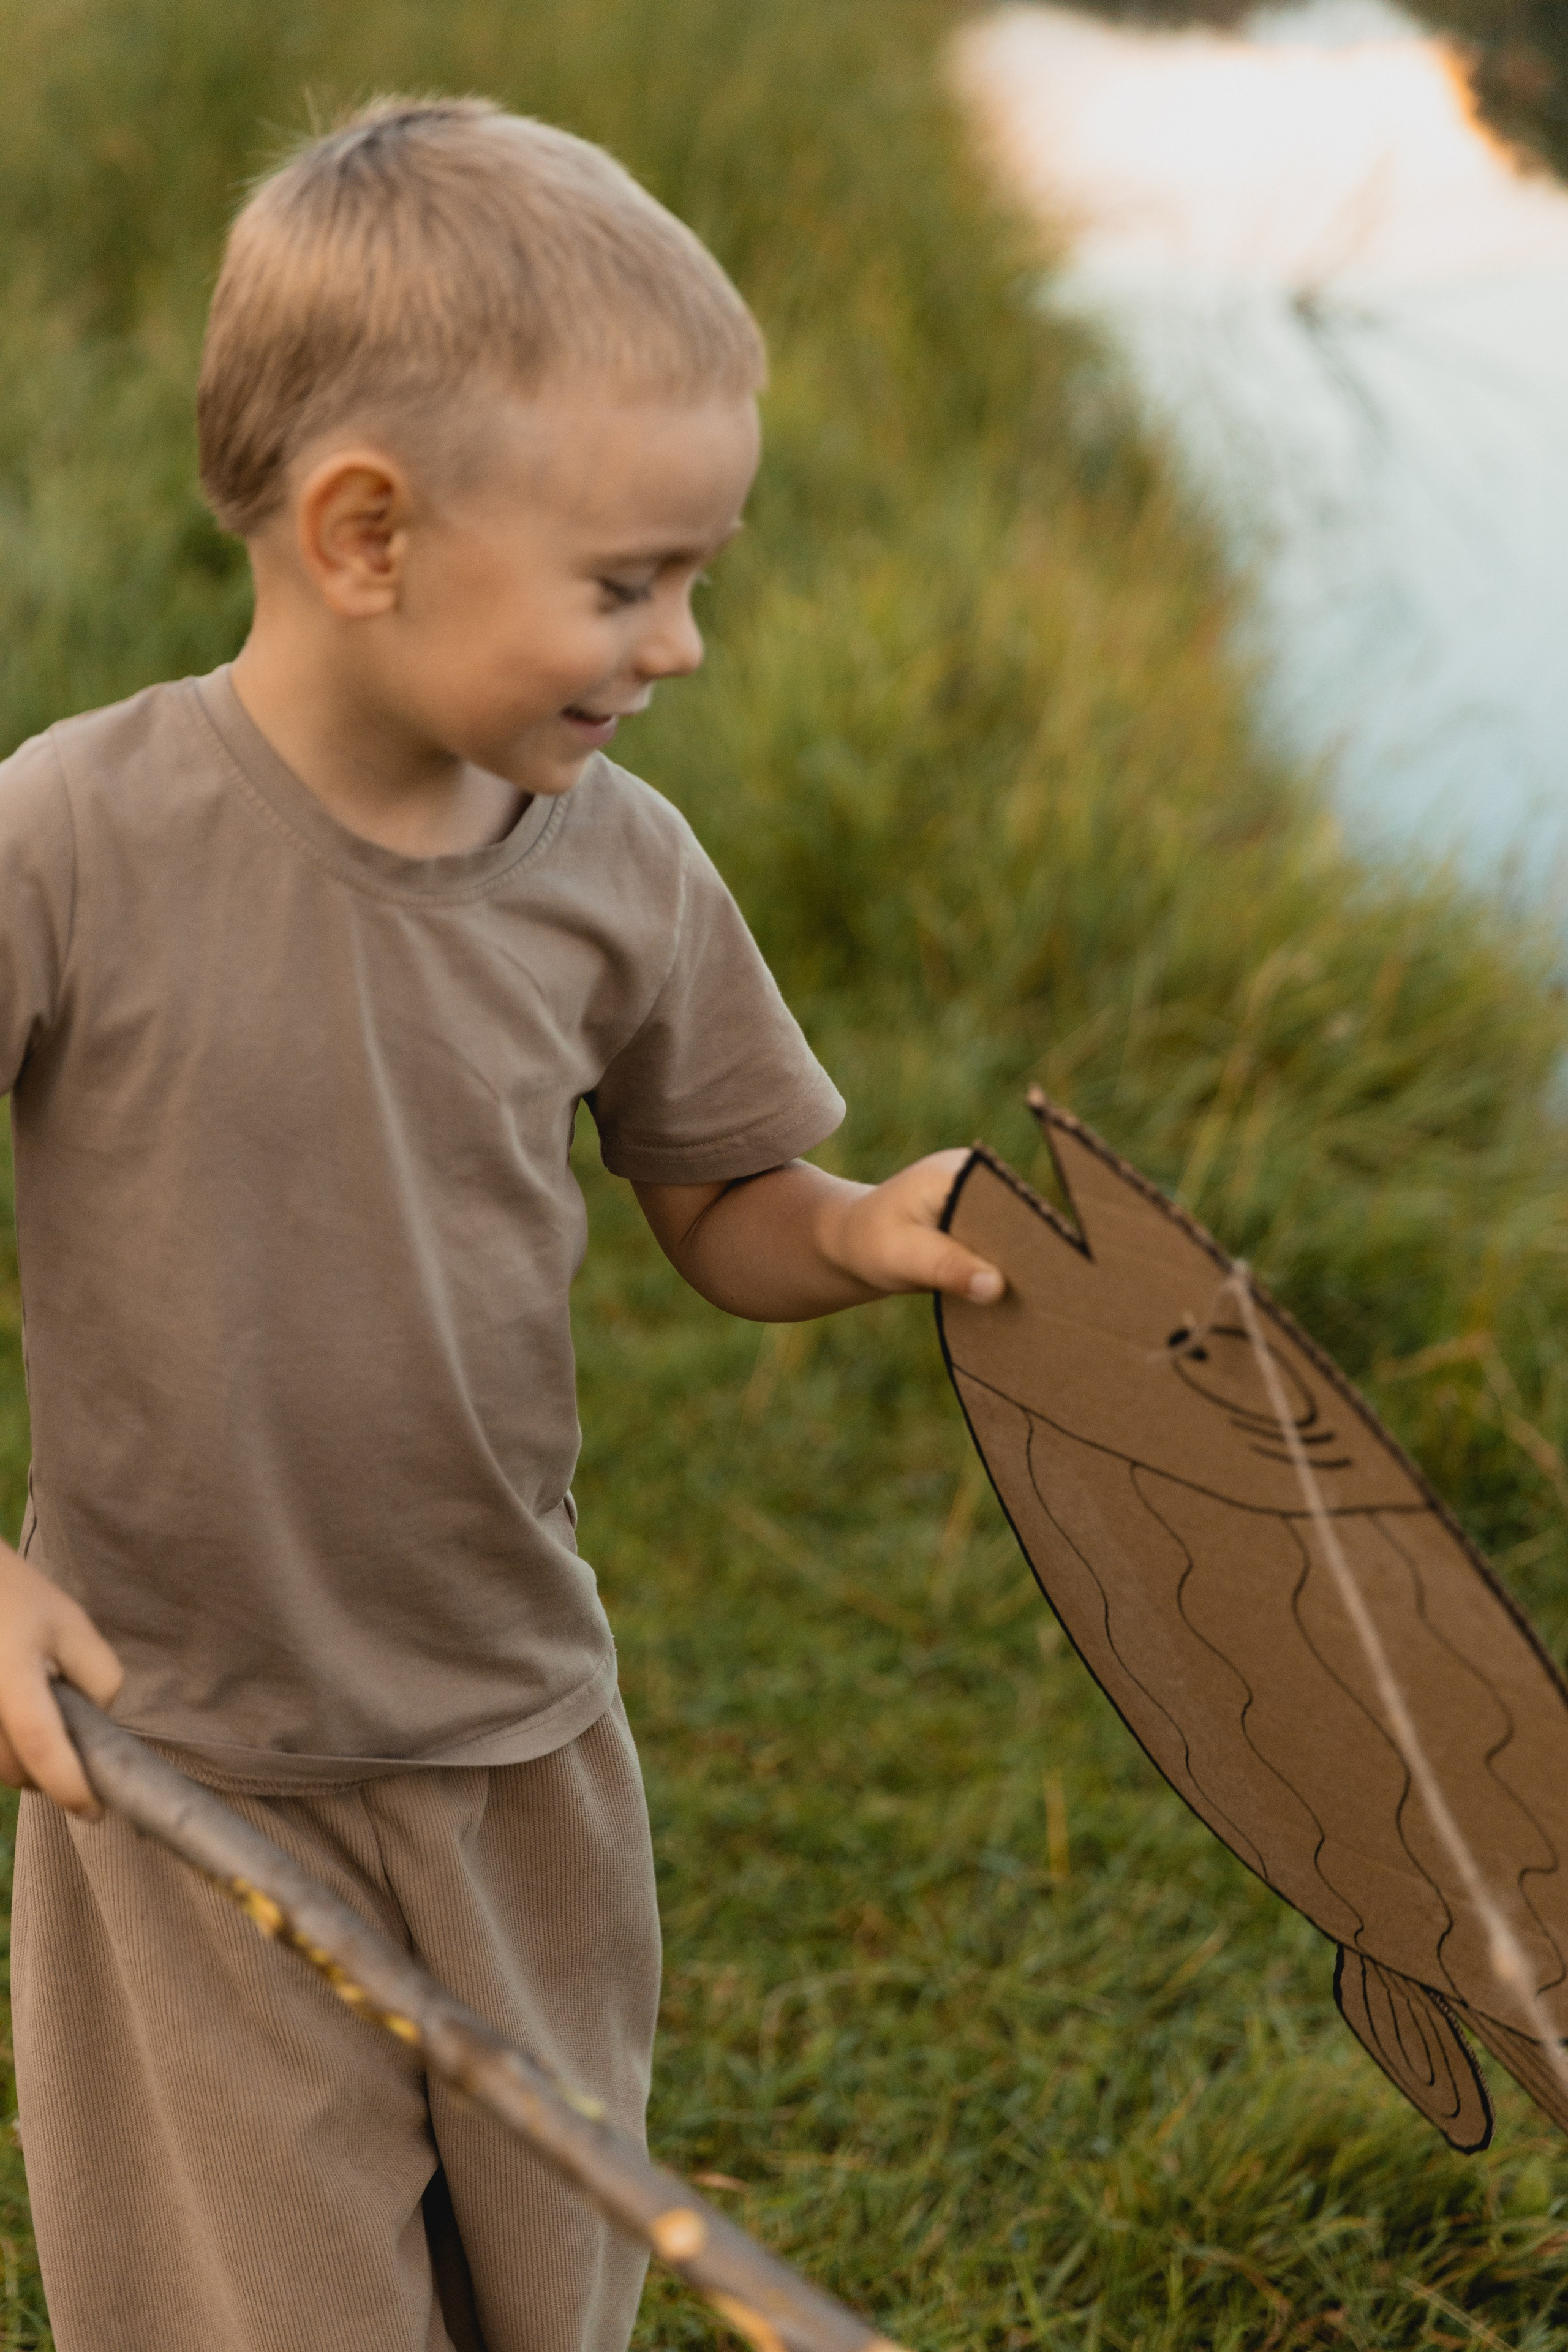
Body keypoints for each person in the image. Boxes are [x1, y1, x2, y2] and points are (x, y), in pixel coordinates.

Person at [0, 98, 1003, 2352]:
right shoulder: (72, 840)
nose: (687, 644)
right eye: (630, 580)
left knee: (544, 2291)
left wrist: (851, 1235)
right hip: (184, 1755)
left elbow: (719, 1195)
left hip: (517, 1740)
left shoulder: (616, 868)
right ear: (367, 529)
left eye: (696, 573)